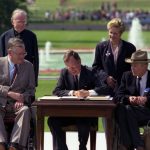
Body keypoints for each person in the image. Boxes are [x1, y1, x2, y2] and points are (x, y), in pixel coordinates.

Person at [48, 50, 112, 150]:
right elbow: (56, 91)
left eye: (74, 67)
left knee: (83, 120)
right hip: (69, 113)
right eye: (69, 67)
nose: (72, 70)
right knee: (52, 121)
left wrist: (88, 92)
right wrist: (73, 92)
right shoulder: (64, 72)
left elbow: (105, 88)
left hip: (87, 113)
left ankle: (82, 147)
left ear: (79, 62)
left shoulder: (90, 72)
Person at [0, 37, 35, 150]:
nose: (22, 56)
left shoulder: (28, 66)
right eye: (19, 54)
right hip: (1, 102)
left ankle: (15, 146)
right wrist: (9, 93)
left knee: (25, 110)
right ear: (10, 52)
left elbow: (31, 90)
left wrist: (22, 98)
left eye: (24, 53)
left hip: (18, 104)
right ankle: (1, 144)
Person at [115, 50, 150, 150]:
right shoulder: (127, 76)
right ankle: (138, 145)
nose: (132, 68)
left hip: (146, 112)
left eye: (134, 66)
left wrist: (146, 99)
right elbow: (118, 95)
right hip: (130, 111)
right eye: (131, 65)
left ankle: (126, 145)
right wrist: (129, 98)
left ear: (144, 66)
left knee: (126, 110)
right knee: (123, 109)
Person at [92, 18, 136, 93]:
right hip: (105, 88)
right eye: (110, 32)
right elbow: (96, 67)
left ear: (121, 33)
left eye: (115, 33)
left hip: (124, 88)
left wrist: (123, 81)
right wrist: (106, 77)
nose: (112, 35)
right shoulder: (100, 47)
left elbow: (133, 68)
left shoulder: (130, 48)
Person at [0, 8, 39, 86]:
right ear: (12, 22)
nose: (22, 24)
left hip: (26, 76)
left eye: (24, 22)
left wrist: (34, 81)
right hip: (7, 78)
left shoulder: (32, 36)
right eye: (19, 22)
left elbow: (35, 59)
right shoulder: (4, 37)